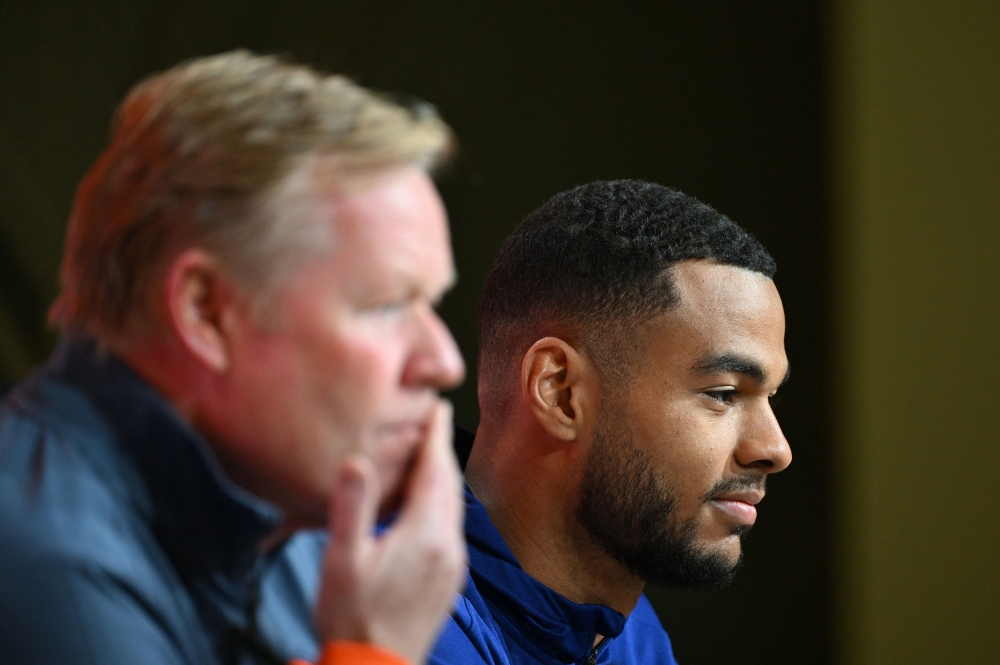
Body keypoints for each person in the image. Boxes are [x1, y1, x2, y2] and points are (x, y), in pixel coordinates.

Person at [0, 51, 468, 665]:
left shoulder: (286, 532)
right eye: (386, 306)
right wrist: (372, 653)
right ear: (206, 313)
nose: (445, 361)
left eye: (431, 305)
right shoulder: (48, 568)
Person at [431, 180, 794, 664]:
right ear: (560, 392)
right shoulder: (396, 626)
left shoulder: (633, 637)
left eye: (770, 396)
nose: (775, 449)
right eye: (723, 394)